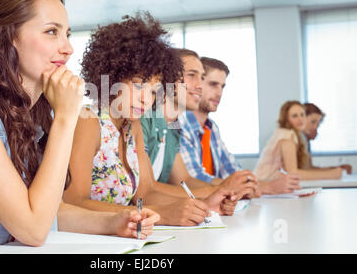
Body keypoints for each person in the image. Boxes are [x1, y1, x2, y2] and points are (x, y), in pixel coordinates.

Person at [0, 0, 158, 254]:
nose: (68, 48)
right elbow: (32, 228)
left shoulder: (36, 113)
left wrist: (113, 221)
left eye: (67, 34)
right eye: (52, 32)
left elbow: (48, 212)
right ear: (10, 38)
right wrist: (66, 118)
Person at [64, 13, 236, 226]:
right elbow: (74, 201)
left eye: (154, 91)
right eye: (138, 85)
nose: (146, 99)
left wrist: (202, 204)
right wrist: (162, 214)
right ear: (112, 77)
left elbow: (146, 192)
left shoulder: (132, 126)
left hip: (124, 238)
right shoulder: (88, 120)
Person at [140, 49, 257, 208]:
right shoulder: (144, 119)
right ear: (166, 77)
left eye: (202, 78)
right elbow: (146, 189)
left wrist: (220, 191)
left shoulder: (173, 127)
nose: (200, 85)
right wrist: (219, 190)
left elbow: (184, 180)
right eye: (191, 75)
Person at [179, 57, 301, 195]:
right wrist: (264, 186)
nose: (219, 93)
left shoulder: (212, 128)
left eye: (222, 86)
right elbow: (193, 179)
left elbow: (233, 171)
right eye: (213, 84)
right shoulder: (179, 125)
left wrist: (251, 184)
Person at [254, 100, 343, 181]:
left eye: (302, 114)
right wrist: (331, 174)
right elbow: (293, 173)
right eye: (295, 116)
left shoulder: (290, 134)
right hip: (263, 184)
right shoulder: (287, 136)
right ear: (286, 119)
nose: (300, 119)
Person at [302, 103, 352, 174]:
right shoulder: (294, 140)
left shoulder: (305, 140)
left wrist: (336, 169)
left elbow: (309, 168)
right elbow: (304, 171)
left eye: (318, 124)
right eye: (313, 122)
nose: (316, 127)